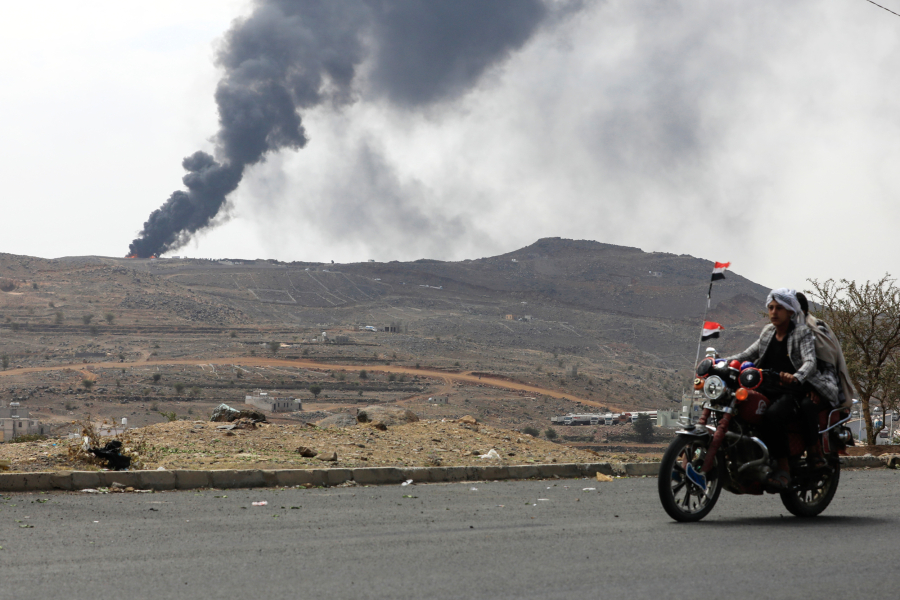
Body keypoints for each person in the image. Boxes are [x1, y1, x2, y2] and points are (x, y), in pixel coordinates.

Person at [725, 288, 835, 490]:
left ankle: (783, 468)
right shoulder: (767, 332)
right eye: (771, 307)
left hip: (790, 390)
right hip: (766, 386)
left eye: (779, 308)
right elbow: (747, 354)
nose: (774, 312)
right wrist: (721, 363)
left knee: (773, 415)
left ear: (791, 312)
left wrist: (796, 377)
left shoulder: (802, 333)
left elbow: (810, 362)